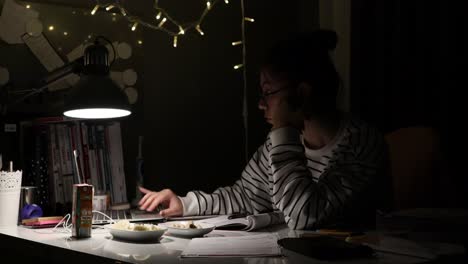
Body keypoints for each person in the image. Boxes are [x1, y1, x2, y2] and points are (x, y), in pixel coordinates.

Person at [139, 29, 388, 230]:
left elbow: (304, 216)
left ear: (301, 93)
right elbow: (247, 196)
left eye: (268, 93)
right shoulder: (279, 144)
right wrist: (185, 203)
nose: (261, 103)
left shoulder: (359, 144)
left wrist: (282, 131)